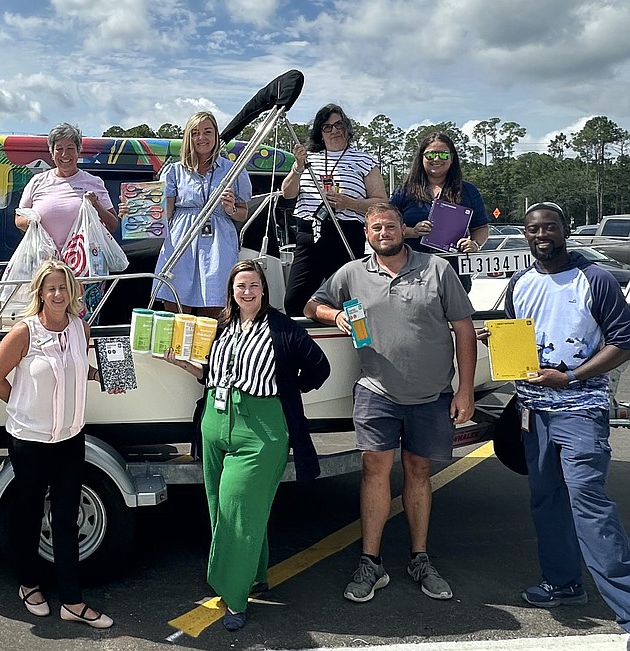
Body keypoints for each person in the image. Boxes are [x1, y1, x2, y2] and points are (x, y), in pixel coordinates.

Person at [304, 203, 476, 603]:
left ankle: (420, 558)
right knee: (373, 472)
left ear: (404, 229)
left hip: (432, 394)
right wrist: (333, 317)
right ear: (367, 234)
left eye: (390, 226)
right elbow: (311, 305)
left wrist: (465, 390)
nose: (384, 232)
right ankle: (371, 561)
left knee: (418, 472)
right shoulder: (351, 273)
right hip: (375, 390)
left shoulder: (437, 270)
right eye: (376, 227)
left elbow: (464, 329)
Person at [162, 259, 329, 631]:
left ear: (264, 289)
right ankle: (252, 575)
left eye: (254, 285)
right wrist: (183, 365)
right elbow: (211, 373)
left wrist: (290, 389)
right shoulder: (220, 327)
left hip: (261, 430)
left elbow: (319, 368)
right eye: (241, 287)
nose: (247, 292)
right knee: (221, 508)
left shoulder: (283, 330)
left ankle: (234, 598)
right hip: (215, 421)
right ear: (231, 292)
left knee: (237, 511)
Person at [490, 202, 630, 634]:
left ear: (565, 230)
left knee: (588, 504)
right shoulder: (520, 281)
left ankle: (626, 606)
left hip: (581, 411)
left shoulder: (595, 279)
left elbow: (623, 342)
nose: (541, 235)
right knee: (546, 500)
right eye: (533, 229)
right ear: (526, 235)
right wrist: (495, 340)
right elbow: (516, 336)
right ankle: (564, 583)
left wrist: (570, 377)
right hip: (533, 413)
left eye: (550, 227)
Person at [0, 259, 113, 629]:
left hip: (70, 440)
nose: (58, 294)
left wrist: (107, 374)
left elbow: (77, 367)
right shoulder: (25, 331)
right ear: (39, 292)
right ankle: (28, 585)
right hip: (29, 442)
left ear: (73, 292)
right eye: (51, 288)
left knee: (67, 518)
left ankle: (72, 601)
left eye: (64, 287)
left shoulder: (80, 328)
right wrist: (23, 407)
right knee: (28, 516)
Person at [282, 103, 388, 316]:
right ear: (320, 133)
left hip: (346, 234)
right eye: (327, 127)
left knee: (350, 299)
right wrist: (297, 168)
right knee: (294, 300)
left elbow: (381, 203)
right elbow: (288, 194)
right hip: (309, 235)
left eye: (339, 125)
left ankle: (352, 341)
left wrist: (350, 203)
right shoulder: (308, 159)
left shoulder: (364, 161)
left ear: (348, 129)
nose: (334, 131)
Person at [147, 111, 251, 317]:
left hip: (218, 247)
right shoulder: (174, 171)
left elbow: (243, 214)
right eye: (195, 133)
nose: (201, 138)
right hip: (181, 245)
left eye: (207, 132)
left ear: (216, 136)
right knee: (177, 315)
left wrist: (230, 208)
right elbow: (164, 213)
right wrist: (135, 212)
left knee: (213, 315)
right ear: (188, 137)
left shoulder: (233, 170)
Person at [15, 123, 119, 315]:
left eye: (70, 148)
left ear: (79, 151)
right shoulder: (37, 182)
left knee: (82, 321)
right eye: (59, 149)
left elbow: (112, 224)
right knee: (47, 319)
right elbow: (19, 219)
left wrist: (95, 205)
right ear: (51, 152)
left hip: (86, 269)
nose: (65, 154)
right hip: (47, 268)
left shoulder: (93, 182)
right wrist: (32, 222)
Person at [391, 132, 489, 291]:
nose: (436, 159)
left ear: (452, 158)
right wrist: (412, 231)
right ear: (421, 158)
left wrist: (475, 244)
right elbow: (388, 226)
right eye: (430, 155)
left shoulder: (468, 191)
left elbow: (481, 228)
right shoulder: (404, 191)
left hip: (454, 273)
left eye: (443, 154)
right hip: (412, 273)